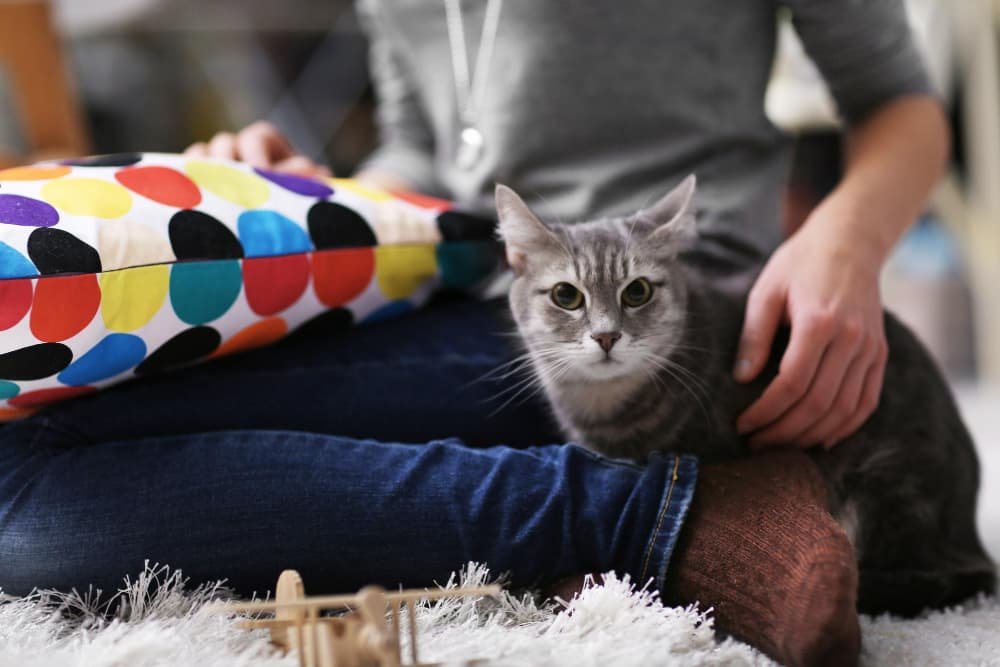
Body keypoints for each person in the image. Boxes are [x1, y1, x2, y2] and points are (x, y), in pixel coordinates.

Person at [1, 2, 947, 665]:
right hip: (463, 281)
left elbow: (900, 98)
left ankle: (663, 510)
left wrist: (845, 242)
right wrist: (304, 192)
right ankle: (669, 505)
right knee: (27, 446)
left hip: (662, 316)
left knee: (26, 500)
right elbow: (426, 145)